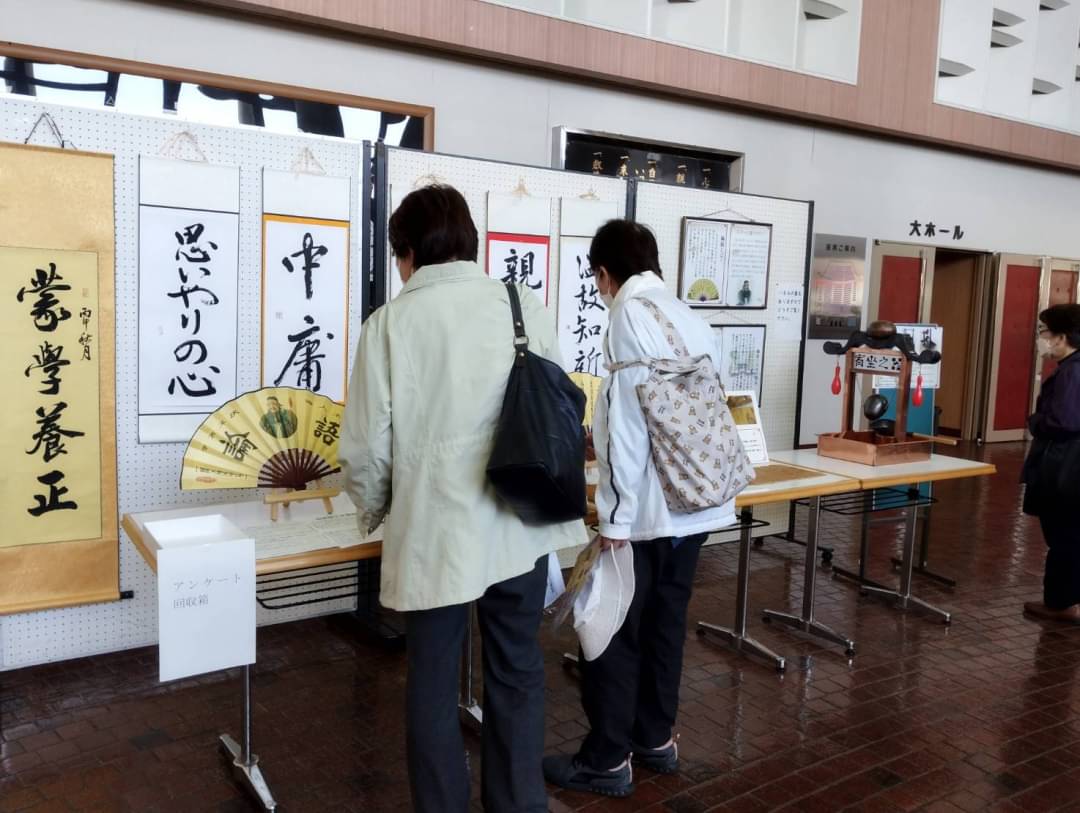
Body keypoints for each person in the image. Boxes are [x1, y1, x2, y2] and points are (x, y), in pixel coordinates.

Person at [338, 184, 584, 813]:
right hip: (519, 521)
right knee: (517, 668)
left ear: (408, 253)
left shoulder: (389, 325)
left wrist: (376, 509)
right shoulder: (521, 303)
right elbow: (560, 409)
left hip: (434, 530)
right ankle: (519, 804)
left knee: (431, 682)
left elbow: (366, 452)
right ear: (469, 243)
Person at [543, 220, 735, 798]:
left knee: (611, 628)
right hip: (698, 504)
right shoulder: (686, 314)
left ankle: (607, 758)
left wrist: (615, 520)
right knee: (665, 624)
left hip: (648, 513)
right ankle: (655, 738)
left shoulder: (628, 315)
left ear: (604, 273)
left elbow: (625, 430)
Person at [1022, 303, 1080, 624]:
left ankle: (1062, 603)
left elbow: (1064, 421)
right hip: (1070, 466)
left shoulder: (1072, 372)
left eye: (1043, 332)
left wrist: (1035, 421)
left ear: (1061, 337)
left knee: (1064, 537)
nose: (1041, 339)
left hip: (1066, 468)